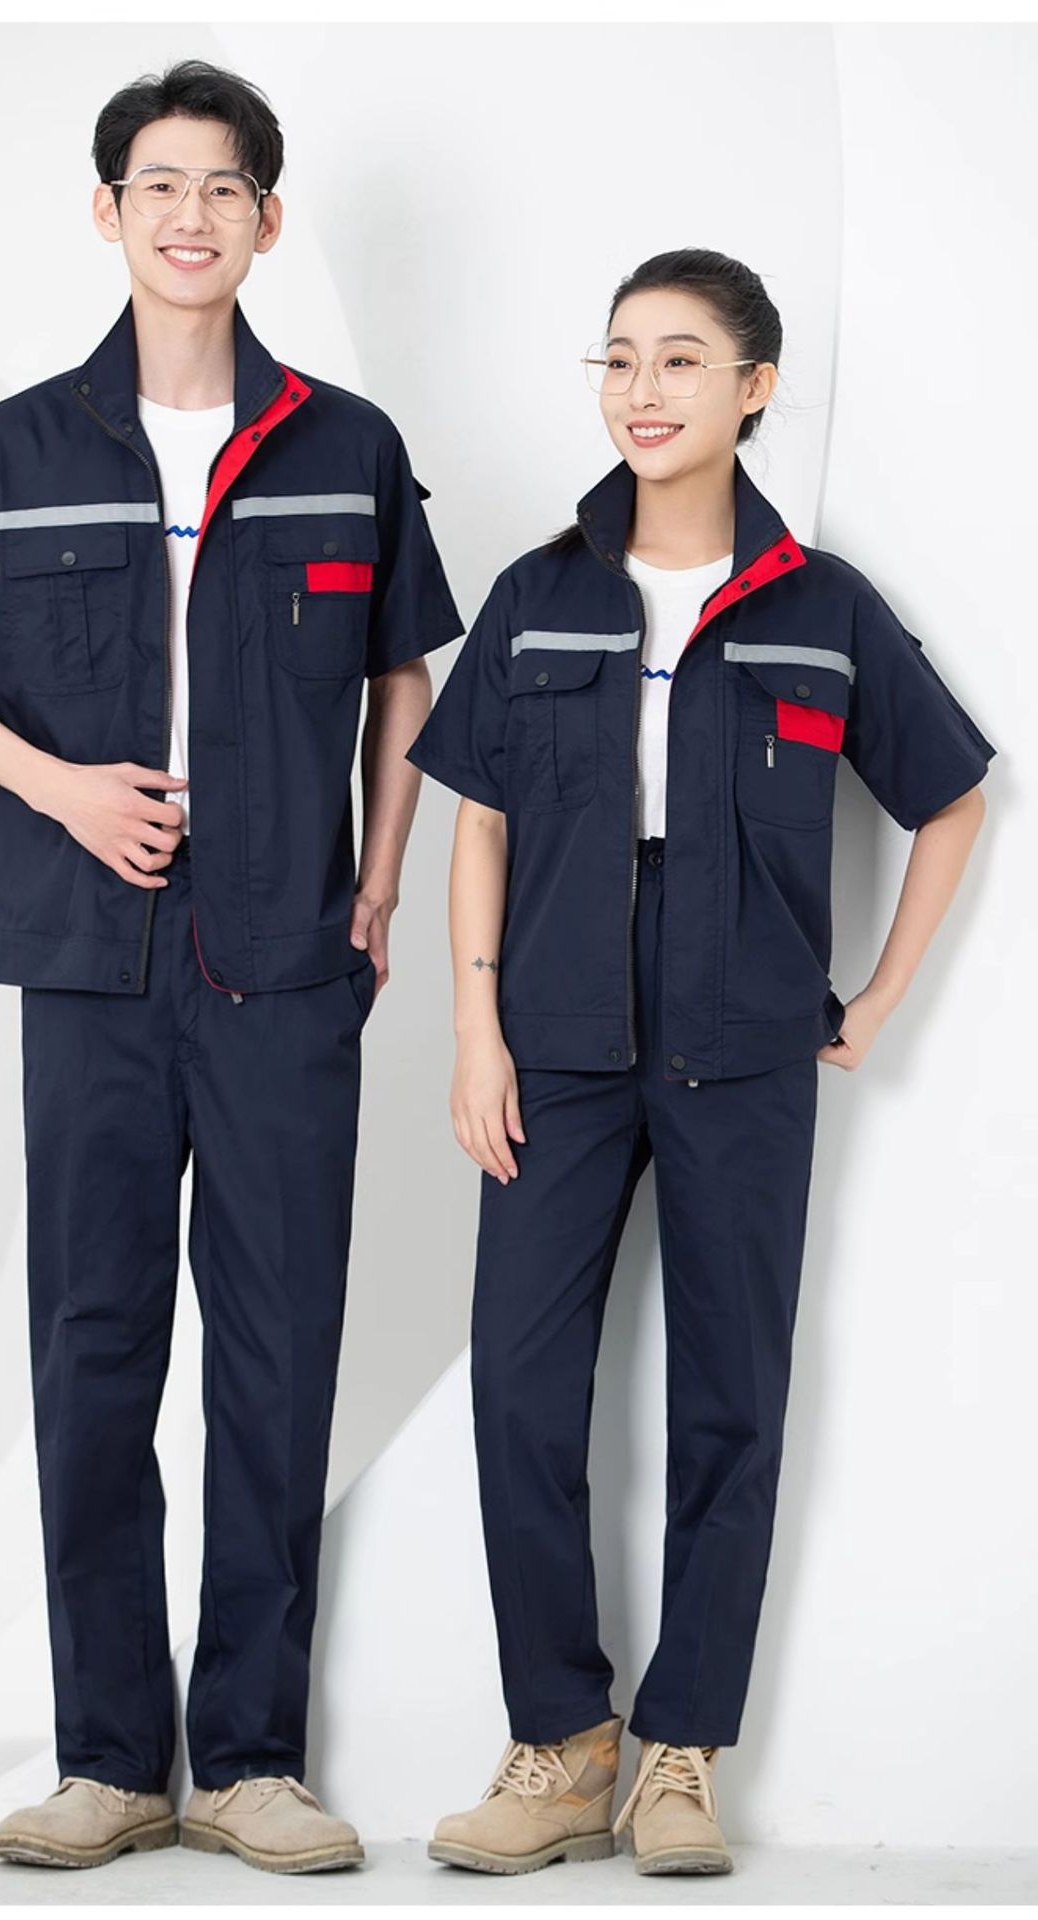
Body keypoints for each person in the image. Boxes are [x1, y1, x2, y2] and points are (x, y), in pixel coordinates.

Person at [0, 58, 462, 1874]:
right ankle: (112, 1760)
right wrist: (60, 788)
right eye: (159, 185)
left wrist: (381, 880)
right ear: (108, 212)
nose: (191, 216)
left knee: (278, 1350)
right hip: (89, 966)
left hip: (287, 961)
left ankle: (252, 1761)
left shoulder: (346, 446)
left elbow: (408, 675)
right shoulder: (20, 446)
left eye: (224, 188)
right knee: (95, 1347)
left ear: (268, 220)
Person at [405, 248, 995, 1878]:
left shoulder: (825, 608)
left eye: (679, 359)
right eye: (617, 359)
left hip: (746, 1045)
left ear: (754, 387)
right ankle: (559, 1744)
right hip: (556, 1042)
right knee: (522, 1388)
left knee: (732, 1399)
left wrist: (877, 1000)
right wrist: (475, 1029)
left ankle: (681, 1756)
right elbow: (480, 823)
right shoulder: (539, 591)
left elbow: (952, 798)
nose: (641, 390)